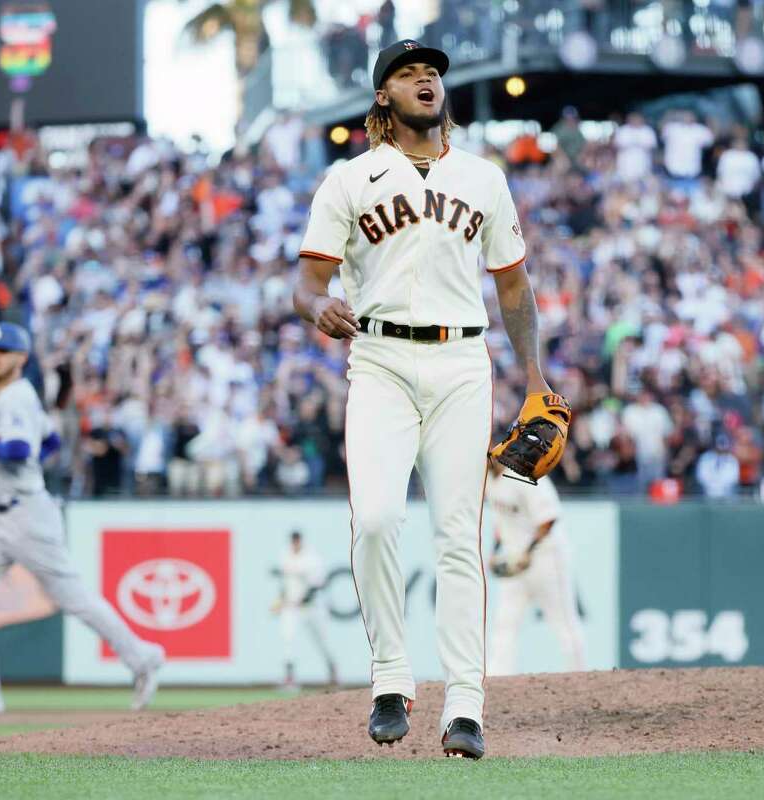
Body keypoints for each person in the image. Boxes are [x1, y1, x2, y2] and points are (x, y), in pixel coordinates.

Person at [293, 39, 548, 760]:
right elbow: (306, 280)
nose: (424, 78)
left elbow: (512, 286)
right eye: (407, 73)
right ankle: (389, 678)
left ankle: (465, 704)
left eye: (430, 71)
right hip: (378, 358)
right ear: (384, 98)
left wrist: (533, 375)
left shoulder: (483, 178)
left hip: (464, 359)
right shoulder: (351, 178)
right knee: (374, 519)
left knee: (456, 534)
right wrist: (315, 307)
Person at [0, 323, 164, 716]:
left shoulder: (16, 398)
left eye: (3, 351)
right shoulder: (11, 397)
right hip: (0, 514)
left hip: (27, 514)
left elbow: (21, 448)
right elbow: (50, 443)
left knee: (73, 599)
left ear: (21, 358)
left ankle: (143, 657)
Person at [485, 462, 587, 677]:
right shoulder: (489, 482)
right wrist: (496, 551)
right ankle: (498, 678)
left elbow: (548, 518)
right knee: (505, 621)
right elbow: (502, 522)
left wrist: (527, 551)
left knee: (564, 621)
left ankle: (579, 676)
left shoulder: (524, 474)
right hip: (515, 562)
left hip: (545, 557)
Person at [271, 531, 338, 691]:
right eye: (293, 541)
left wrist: (302, 600)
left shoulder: (311, 558)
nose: (295, 544)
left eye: (297, 541)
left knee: (321, 641)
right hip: (291, 607)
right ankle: (289, 679)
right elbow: (285, 583)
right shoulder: (285, 555)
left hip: (310, 607)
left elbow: (317, 585)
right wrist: (281, 600)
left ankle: (332, 671)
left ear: (301, 541)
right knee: (288, 639)